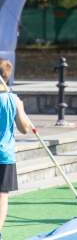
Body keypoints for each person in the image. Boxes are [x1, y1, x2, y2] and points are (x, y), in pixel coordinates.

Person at [0, 59, 32, 239]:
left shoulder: (12, 98)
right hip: (5, 155)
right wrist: (20, 108)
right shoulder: (13, 99)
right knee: (2, 196)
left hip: (4, 154)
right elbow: (24, 128)